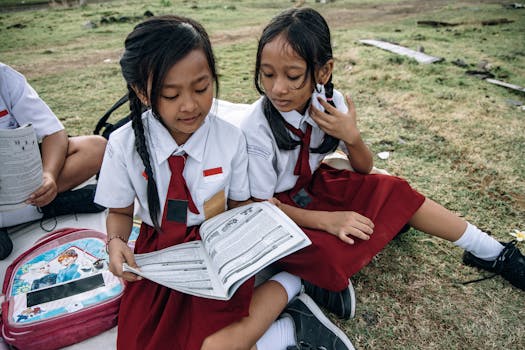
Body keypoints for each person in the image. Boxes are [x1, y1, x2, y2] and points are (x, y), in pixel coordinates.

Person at [240, 7, 525, 320]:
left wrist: (352, 136)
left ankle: (491, 251)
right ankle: (305, 281)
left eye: (292, 76)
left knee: (394, 190)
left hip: (312, 189)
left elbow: (363, 167)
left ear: (324, 72)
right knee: (327, 253)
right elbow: (260, 207)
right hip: (278, 212)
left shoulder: (330, 103)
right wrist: (329, 221)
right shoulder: (256, 130)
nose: (277, 88)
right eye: (268, 74)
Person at [95, 15, 354, 350]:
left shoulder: (231, 140)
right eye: (171, 95)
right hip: (159, 258)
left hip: (218, 250)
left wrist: (261, 222)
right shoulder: (123, 144)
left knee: (213, 345)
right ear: (141, 93)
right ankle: (287, 323)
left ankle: (291, 287)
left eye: (202, 88)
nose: (190, 105)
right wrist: (115, 242)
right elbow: (119, 211)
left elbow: (240, 206)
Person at [0, 62, 107, 260]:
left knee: (96, 148)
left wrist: (49, 175)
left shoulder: (4, 76)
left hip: (22, 178)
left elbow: (53, 132)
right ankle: (47, 208)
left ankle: (42, 201)